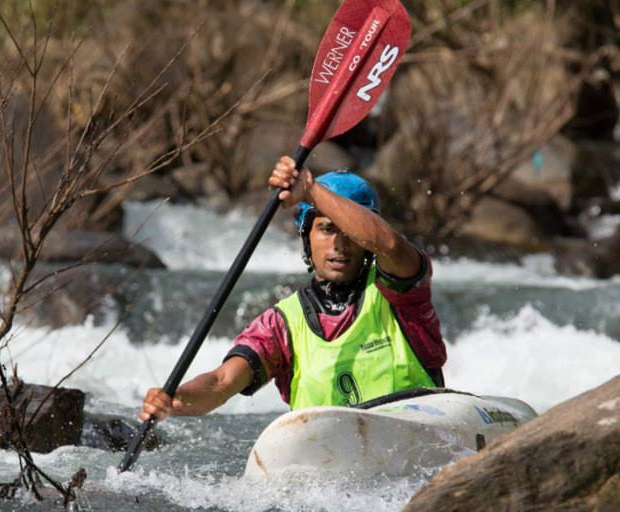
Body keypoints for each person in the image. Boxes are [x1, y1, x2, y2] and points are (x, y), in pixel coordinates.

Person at [140, 156, 447, 423]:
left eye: (350, 233)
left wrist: (310, 190)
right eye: (326, 229)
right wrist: (177, 400)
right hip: (331, 460)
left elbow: (389, 244)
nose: (339, 244)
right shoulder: (281, 323)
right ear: (306, 237)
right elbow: (222, 382)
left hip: (415, 438)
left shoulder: (401, 290)